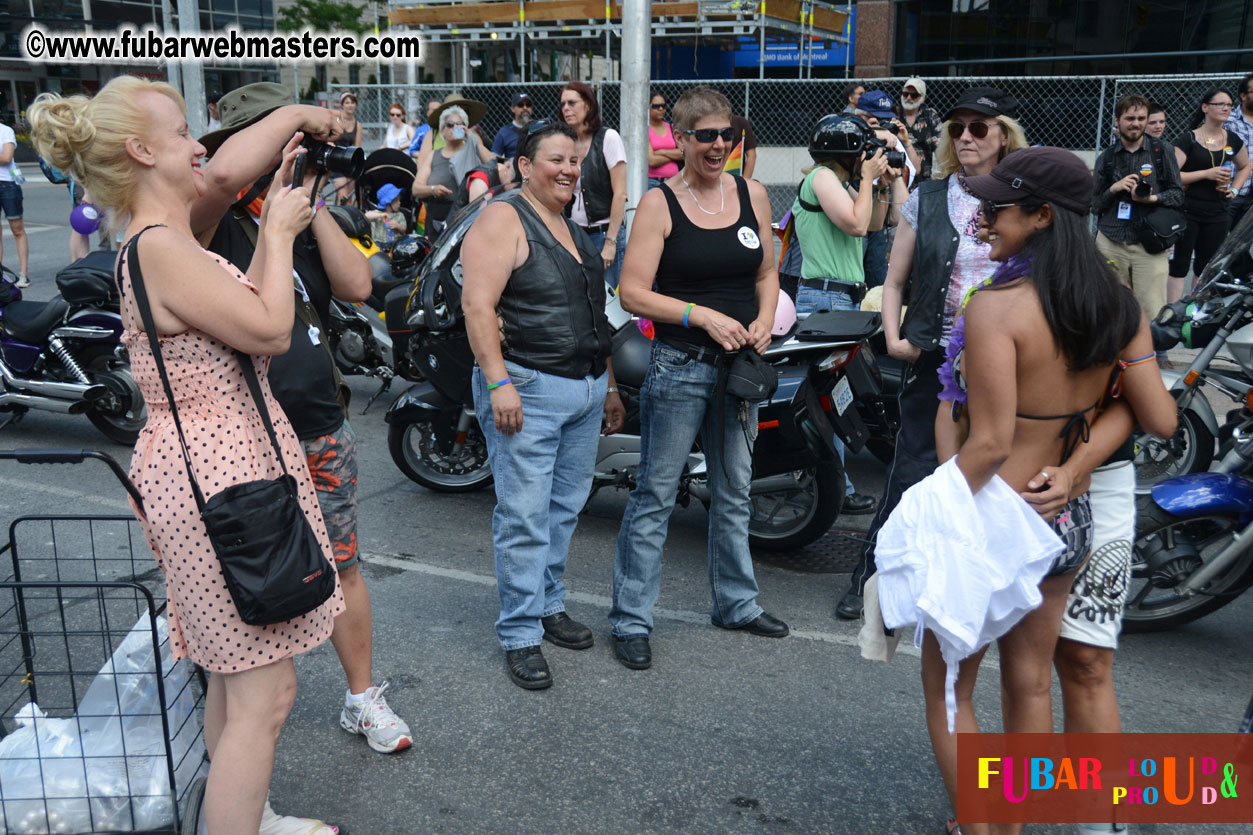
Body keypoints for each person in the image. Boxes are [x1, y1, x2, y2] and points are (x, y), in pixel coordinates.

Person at [30, 75, 346, 834]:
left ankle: (252, 816)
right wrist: (275, 234)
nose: (196, 143)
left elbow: (232, 179)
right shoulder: (162, 248)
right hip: (222, 481)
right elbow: (270, 329)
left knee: (240, 686)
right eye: (179, 132)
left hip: (218, 476)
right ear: (141, 150)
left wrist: (284, 168)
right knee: (262, 697)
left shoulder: (161, 242)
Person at [928, 147, 1143, 835]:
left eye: (996, 208)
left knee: (949, 686)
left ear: (1042, 215)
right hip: (1062, 519)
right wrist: (1077, 468)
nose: (982, 218)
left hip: (993, 515)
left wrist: (928, 514)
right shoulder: (1109, 302)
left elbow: (986, 443)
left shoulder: (996, 307)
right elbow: (1135, 405)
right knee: (1030, 682)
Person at [195, 82, 413, 760]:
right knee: (242, 578)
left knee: (343, 564)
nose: (291, 151)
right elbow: (226, 174)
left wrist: (306, 202)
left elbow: (355, 285)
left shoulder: (286, 213)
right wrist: (287, 142)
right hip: (244, 440)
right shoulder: (206, 218)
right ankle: (234, 717)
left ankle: (361, 698)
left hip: (319, 427)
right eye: (278, 139)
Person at [610, 86, 788, 672]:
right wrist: (700, 315)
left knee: (735, 491)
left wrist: (764, 318)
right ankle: (632, 620)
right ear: (681, 140)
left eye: (727, 135)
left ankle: (736, 604)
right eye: (705, 135)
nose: (718, 146)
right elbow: (631, 290)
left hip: (739, 370)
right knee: (656, 495)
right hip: (682, 366)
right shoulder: (661, 204)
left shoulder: (752, 194)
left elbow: (766, 268)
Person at [835, 86, 1029, 621]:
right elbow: (895, 278)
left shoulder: (1024, 199)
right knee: (913, 468)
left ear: (1003, 135)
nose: (965, 136)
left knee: (994, 470)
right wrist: (896, 337)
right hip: (934, 352)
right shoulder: (930, 196)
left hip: (1003, 358)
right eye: (957, 128)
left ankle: (970, 586)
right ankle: (869, 579)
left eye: (979, 127)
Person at [460, 120, 623, 690]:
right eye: (555, 159)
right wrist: (499, 383)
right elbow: (478, 305)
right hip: (527, 389)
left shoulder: (570, 225)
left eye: (575, 161)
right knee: (525, 517)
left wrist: (609, 386)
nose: (568, 169)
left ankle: (549, 605)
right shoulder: (503, 216)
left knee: (562, 510)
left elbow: (593, 313)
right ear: (525, 166)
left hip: (583, 390)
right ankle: (521, 634)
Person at [791, 114, 906, 516]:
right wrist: (868, 179)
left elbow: (875, 222)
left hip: (843, 303)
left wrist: (881, 185)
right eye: (863, 150)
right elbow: (857, 226)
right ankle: (837, 488)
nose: (868, 157)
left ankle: (835, 484)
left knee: (838, 399)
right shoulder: (822, 177)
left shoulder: (839, 183)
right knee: (829, 402)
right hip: (825, 301)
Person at [1091, 94, 1185, 316]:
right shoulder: (1107, 157)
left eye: (1141, 118)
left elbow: (1178, 195)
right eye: (1130, 118)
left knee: (1152, 312)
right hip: (1111, 240)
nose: (1136, 123)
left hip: (1150, 244)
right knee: (1109, 309)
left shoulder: (1162, 151)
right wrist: (1114, 189)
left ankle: (1154, 352)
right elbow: (1093, 205)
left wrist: (1152, 199)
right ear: (1117, 120)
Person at [1170, 89, 1251, 301]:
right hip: (1188, 210)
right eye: (1220, 104)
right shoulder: (1188, 139)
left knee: (1206, 265)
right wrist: (1207, 173)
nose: (1226, 108)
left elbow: (1245, 166)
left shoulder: (1232, 139)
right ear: (1205, 107)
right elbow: (1172, 176)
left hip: (1217, 212)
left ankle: (1193, 310)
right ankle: (1171, 312)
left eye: (1229, 105)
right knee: (1179, 264)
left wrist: (1234, 189)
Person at [560, 81, 628, 289]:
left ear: (588, 105)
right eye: (562, 104)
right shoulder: (565, 142)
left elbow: (620, 194)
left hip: (603, 233)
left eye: (572, 103)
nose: (566, 109)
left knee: (607, 303)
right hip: (574, 234)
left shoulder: (608, 138)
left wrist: (610, 242)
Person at [853, 91, 919, 292]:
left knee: (877, 284)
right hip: (851, 220)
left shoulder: (892, 142)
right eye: (876, 120)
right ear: (861, 117)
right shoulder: (847, 135)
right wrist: (871, 133)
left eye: (886, 120)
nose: (882, 126)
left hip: (877, 222)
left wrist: (895, 176)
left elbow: (899, 216)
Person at [412, 99, 495, 232]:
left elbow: (494, 165)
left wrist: (472, 139)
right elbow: (416, 188)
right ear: (442, 131)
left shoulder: (473, 148)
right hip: (437, 218)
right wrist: (433, 189)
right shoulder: (434, 155)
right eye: (450, 124)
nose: (455, 127)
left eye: (460, 124)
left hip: (468, 216)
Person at [0, 118, 30, 287]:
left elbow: (6, 157)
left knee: (17, 229)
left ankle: (23, 273)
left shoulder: (5, 131)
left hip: (8, 184)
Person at [899, 77, 941, 183]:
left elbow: (940, 147)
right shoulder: (894, 114)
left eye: (914, 95)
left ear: (923, 99)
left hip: (924, 179)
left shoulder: (930, 115)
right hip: (899, 178)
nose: (908, 98)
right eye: (905, 94)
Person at [1227, 73, 1253, 227]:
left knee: (1241, 246)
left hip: (1251, 200)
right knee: (1219, 243)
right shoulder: (1229, 121)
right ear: (1243, 96)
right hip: (1231, 193)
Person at [647, 91, 681, 189]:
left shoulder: (672, 128)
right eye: (656, 106)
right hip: (652, 183)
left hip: (674, 181)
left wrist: (661, 152)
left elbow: (683, 153)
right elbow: (652, 161)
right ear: (648, 108)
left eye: (663, 106)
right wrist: (674, 155)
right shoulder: (644, 130)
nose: (661, 109)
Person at [491, 91, 533, 160]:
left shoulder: (540, 129)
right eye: (520, 105)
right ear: (512, 109)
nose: (525, 108)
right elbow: (494, 157)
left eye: (528, 105)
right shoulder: (504, 132)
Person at [728, 114, 757, 179]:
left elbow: (751, 155)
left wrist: (744, 182)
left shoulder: (740, 122)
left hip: (735, 175)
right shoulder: (704, 121)